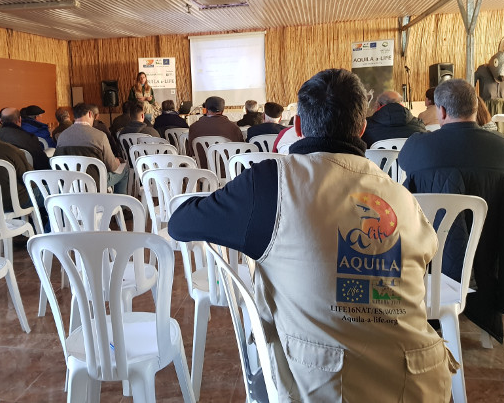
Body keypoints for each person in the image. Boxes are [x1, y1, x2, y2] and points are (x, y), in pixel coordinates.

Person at [169, 69, 455, 402]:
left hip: (325, 385)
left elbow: (180, 224)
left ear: (299, 128)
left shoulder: (271, 185)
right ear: (362, 128)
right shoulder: (401, 197)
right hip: (423, 383)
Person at [399, 79, 504, 343]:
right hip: (486, 251)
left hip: (432, 254)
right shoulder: (501, 147)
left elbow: (403, 169)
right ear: (474, 107)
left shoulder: (417, 146)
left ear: (442, 112)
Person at [55, 103, 128, 194]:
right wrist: (117, 161)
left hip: (69, 185)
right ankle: (121, 205)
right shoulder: (100, 136)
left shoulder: (62, 136)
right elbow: (112, 167)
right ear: (90, 114)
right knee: (124, 169)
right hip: (95, 184)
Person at [187, 96, 243, 168]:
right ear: (222, 111)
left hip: (202, 173)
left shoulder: (194, 127)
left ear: (206, 110)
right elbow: (240, 150)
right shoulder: (233, 127)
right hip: (227, 172)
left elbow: (191, 152)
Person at [361, 90, 426, 147]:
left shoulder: (365, 126)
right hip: (409, 160)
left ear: (378, 105)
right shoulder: (419, 124)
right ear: (401, 104)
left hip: (375, 161)